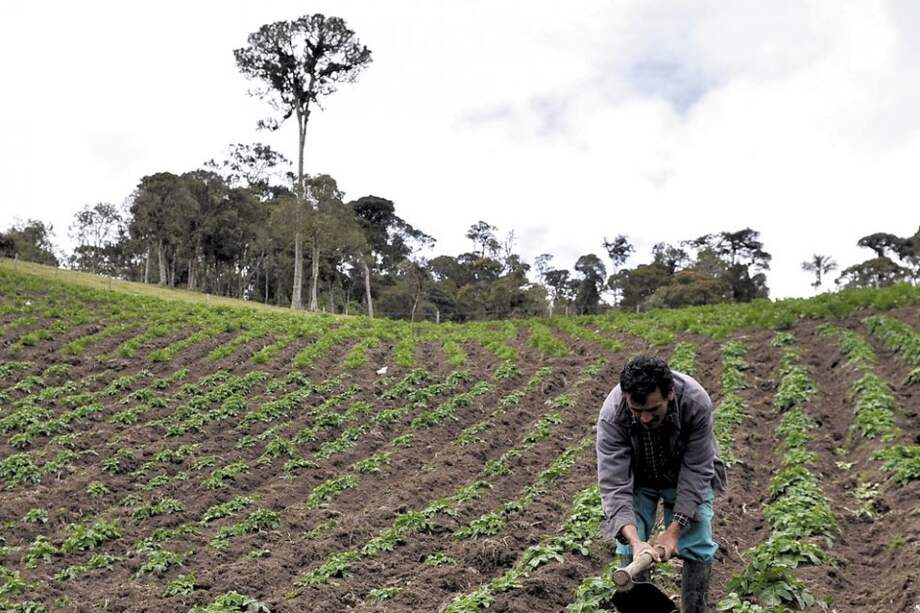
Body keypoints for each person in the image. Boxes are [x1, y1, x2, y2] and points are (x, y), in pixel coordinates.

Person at [596, 355, 726, 613]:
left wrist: (673, 532)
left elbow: (697, 470)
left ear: (669, 394)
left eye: (653, 410)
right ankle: (641, 608)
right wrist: (636, 542)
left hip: (682, 473)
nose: (644, 419)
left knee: (697, 541)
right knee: (627, 539)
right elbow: (615, 484)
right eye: (637, 410)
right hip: (637, 476)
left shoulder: (695, 402)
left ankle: (695, 609)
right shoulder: (613, 415)